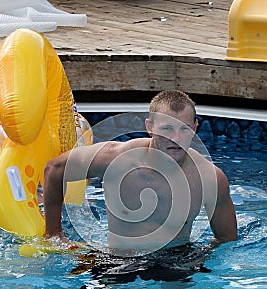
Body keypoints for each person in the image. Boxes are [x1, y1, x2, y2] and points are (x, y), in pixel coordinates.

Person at [43, 90, 237, 256]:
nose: (176, 138)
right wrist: (54, 233)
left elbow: (226, 239)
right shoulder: (117, 159)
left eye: (184, 129)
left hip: (176, 260)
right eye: (167, 129)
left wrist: (198, 258)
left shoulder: (210, 179)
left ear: (195, 127)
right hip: (119, 259)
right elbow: (55, 169)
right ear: (149, 127)